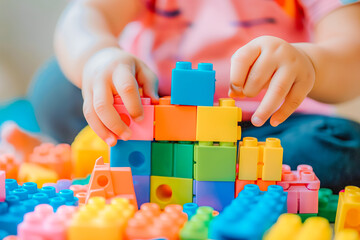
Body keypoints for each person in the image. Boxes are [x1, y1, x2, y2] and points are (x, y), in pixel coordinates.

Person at [29, 0, 360, 191]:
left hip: (260, 127)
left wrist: (310, 64)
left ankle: (207, 171)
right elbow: (86, 15)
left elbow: (351, 54)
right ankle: (202, 173)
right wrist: (98, 56)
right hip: (152, 116)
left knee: (343, 143)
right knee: (56, 88)